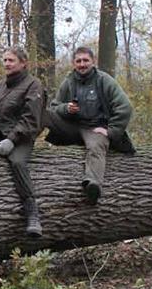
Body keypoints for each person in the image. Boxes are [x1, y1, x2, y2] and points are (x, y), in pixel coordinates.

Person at [47, 46, 135, 204]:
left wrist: (111, 130)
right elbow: (54, 107)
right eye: (78, 61)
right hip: (73, 128)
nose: (82, 64)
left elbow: (125, 106)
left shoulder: (104, 80)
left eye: (85, 60)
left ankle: (93, 185)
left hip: (95, 128)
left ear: (93, 62)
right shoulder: (69, 81)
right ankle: (24, 146)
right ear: (74, 63)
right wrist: (66, 108)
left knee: (96, 148)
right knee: (45, 115)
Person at [0, 48, 45, 237]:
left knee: (17, 162)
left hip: (21, 138)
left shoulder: (33, 85)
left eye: (11, 60)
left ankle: (32, 213)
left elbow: (31, 119)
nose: (6, 64)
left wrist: (11, 140)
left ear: (23, 62)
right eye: (4, 60)